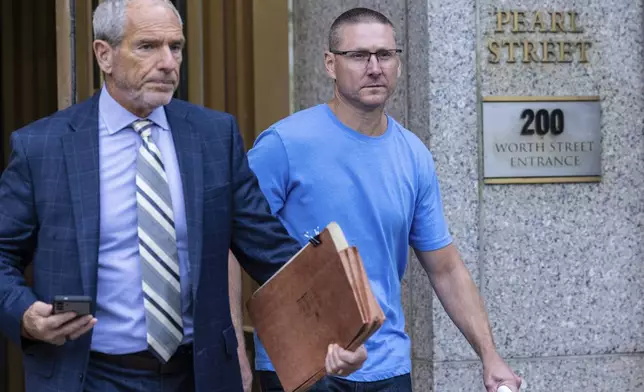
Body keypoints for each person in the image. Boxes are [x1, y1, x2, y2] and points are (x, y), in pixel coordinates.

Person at [0, 1, 366, 391]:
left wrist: (343, 331)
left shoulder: (213, 137)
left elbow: (272, 252)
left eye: (175, 47)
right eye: (147, 47)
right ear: (103, 55)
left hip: (198, 375)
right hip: (90, 374)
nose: (168, 62)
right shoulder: (44, 147)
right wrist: (24, 314)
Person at [245, 7, 523, 392]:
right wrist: (235, 356)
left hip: (387, 367)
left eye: (385, 55)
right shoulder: (283, 146)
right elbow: (230, 246)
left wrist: (490, 356)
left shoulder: (413, 155)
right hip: (300, 366)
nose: (374, 67)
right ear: (330, 63)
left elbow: (445, 268)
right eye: (358, 56)